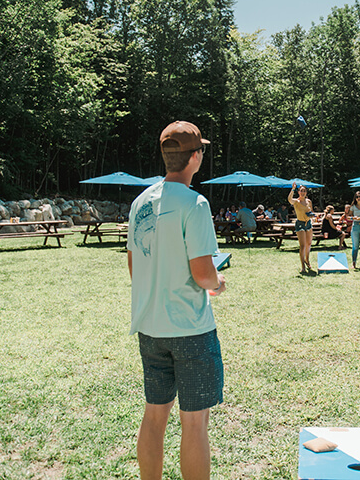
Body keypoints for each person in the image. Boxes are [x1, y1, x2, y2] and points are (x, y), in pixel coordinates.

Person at [127, 121, 226, 480]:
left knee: (155, 414)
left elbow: (134, 266)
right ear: (195, 157)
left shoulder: (140, 202)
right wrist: (219, 282)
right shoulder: (195, 203)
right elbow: (203, 275)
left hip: (149, 329)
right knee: (195, 423)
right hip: (190, 331)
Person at [288, 183, 314, 274]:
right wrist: (293, 189)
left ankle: (307, 260)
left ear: (306, 192)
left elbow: (311, 211)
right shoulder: (296, 201)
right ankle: (303, 266)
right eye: (301, 191)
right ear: (298, 192)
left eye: (304, 191)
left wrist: (311, 215)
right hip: (300, 224)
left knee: (309, 243)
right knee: (302, 246)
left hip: (308, 223)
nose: (303, 192)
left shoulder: (309, 201)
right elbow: (289, 199)